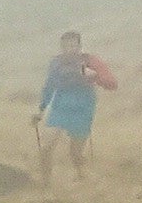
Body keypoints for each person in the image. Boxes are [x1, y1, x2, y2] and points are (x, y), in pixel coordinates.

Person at [36, 31, 118, 184]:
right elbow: (49, 86)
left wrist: (93, 75)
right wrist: (41, 109)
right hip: (60, 108)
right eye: (66, 46)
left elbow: (112, 84)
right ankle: (45, 184)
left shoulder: (90, 61)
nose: (70, 49)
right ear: (61, 47)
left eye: (73, 45)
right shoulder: (56, 63)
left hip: (83, 109)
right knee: (46, 146)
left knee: (75, 153)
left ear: (80, 46)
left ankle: (83, 178)